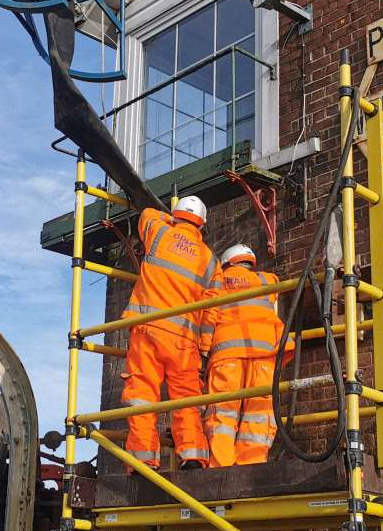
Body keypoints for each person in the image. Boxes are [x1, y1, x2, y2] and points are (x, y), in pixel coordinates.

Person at [120, 195, 216, 470]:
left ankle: (144, 459)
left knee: (142, 393)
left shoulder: (159, 231)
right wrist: (205, 344)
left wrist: (169, 220)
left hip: (149, 327)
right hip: (185, 340)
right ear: (203, 224)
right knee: (186, 398)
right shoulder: (210, 260)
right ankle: (193, 456)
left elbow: (147, 212)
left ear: (176, 215)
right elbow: (212, 308)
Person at [200, 244, 282, 467]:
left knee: (223, 415)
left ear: (226, 263)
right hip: (264, 356)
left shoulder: (218, 280)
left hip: (227, 357)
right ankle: (250, 469)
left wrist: (203, 353)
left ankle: (221, 469)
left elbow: (208, 318)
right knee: (259, 414)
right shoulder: (268, 281)